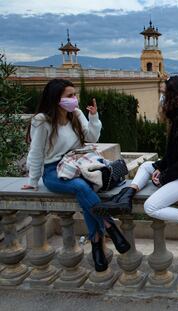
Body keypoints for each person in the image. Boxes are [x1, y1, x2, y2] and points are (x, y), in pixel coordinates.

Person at [22, 79, 129, 272]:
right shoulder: (42, 121)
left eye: (74, 95)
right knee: (81, 187)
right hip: (53, 171)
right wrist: (32, 180)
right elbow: (36, 152)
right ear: (56, 98)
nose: (74, 99)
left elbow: (92, 138)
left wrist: (94, 117)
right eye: (70, 96)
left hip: (77, 164)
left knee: (84, 190)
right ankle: (109, 225)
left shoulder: (76, 114)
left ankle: (96, 241)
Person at [93, 76, 178, 238]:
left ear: (175, 97)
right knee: (146, 166)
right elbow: (173, 154)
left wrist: (165, 177)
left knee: (150, 207)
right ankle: (126, 197)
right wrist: (160, 167)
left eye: (164, 94)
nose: (162, 98)